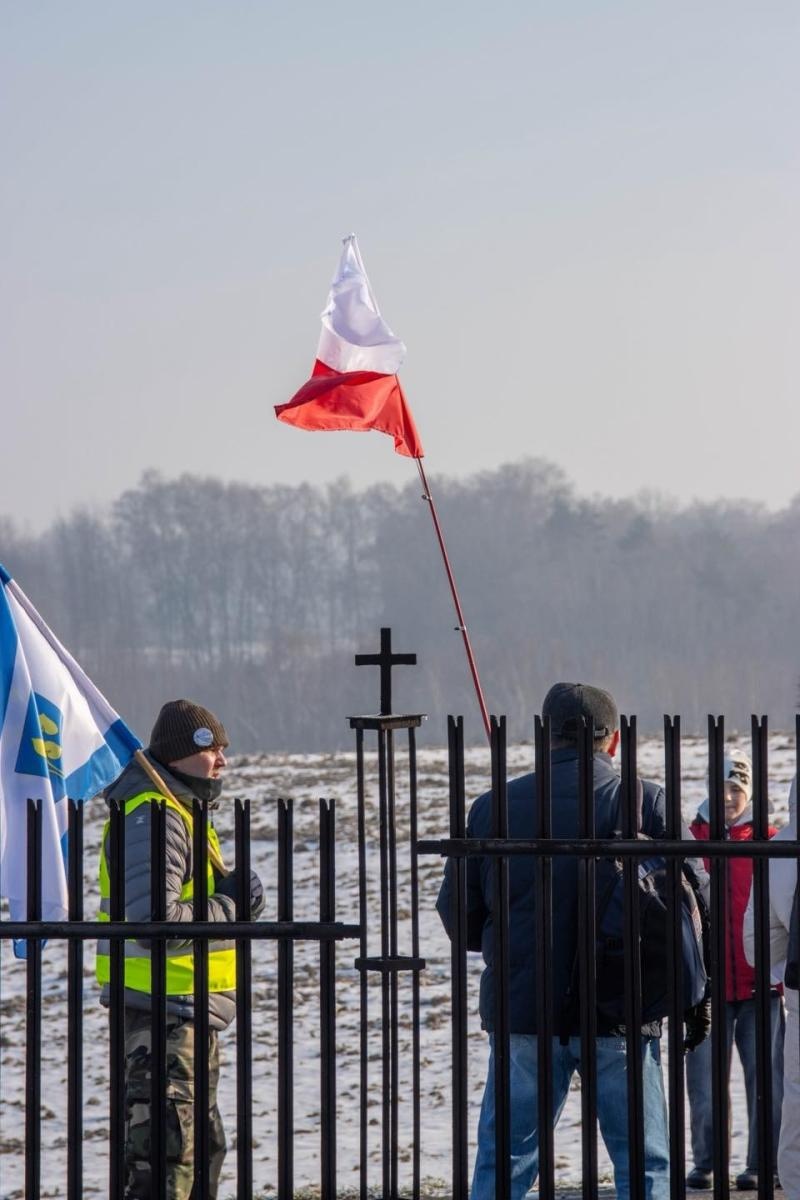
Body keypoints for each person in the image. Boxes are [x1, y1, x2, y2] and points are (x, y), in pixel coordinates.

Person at [436, 681, 709, 1200]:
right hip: (622, 1008)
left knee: (505, 1163)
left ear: (546, 738)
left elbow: (460, 917)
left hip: (525, 1011)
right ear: (614, 741)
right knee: (644, 1164)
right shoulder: (645, 801)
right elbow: (695, 904)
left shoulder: (495, 806)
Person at [96, 699, 264, 1200]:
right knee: (167, 1162)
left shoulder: (182, 812)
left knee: (197, 1152)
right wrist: (229, 907)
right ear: (178, 754)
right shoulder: (156, 814)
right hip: (161, 1015)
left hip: (184, 1014)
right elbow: (154, 922)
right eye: (212, 747)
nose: (222, 760)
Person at [686, 752, 784, 1192]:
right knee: (705, 1084)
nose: (728, 796)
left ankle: (763, 1162)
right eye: (722, 787)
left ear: (749, 792)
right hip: (705, 987)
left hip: (760, 983)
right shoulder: (691, 840)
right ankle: (707, 1162)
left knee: (766, 1080)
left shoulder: (769, 839)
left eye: (737, 788)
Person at [743, 776, 796, 1197]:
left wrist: (783, 972)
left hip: (799, 995)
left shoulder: (780, 853)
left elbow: (757, 945)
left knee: (796, 1112)